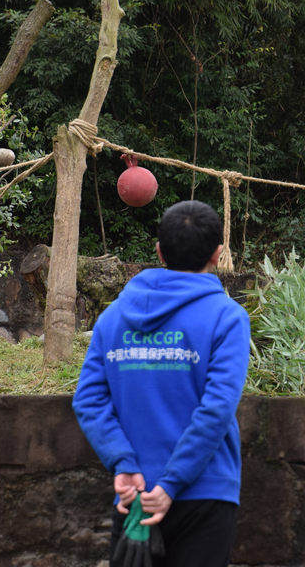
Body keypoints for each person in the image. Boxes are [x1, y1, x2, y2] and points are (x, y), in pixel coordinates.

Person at [73, 200, 251, 567]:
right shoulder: (228, 317)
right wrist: (171, 484)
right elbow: (217, 409)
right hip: (206, 493)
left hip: (134, 494)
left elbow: (89, 400)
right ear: (218, 255)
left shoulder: (114, 316)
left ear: (158, 251)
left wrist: (123, 465)